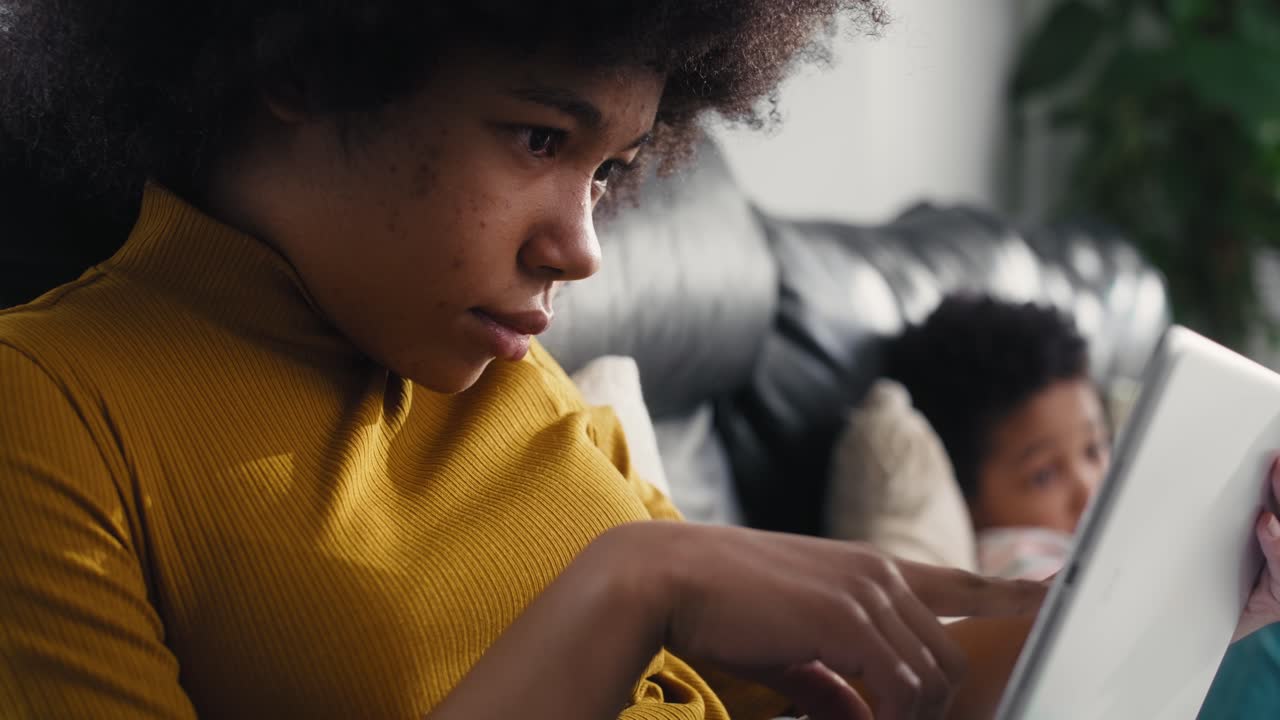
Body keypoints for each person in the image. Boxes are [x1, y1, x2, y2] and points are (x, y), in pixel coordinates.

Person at [1, 4, 1278, 720]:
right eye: (536, 139)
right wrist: (626, 587)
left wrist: (1195, 596)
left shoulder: (514, 383)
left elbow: (878, 693)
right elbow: (643, 590)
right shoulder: (52, 405)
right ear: (309, 59)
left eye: (610, 171)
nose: (583, 248)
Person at [882, 294, 1109, 580]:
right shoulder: (1020, 560)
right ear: (965, 499)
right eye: (1043, 476)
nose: (1088, 492)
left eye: (1093, 449)